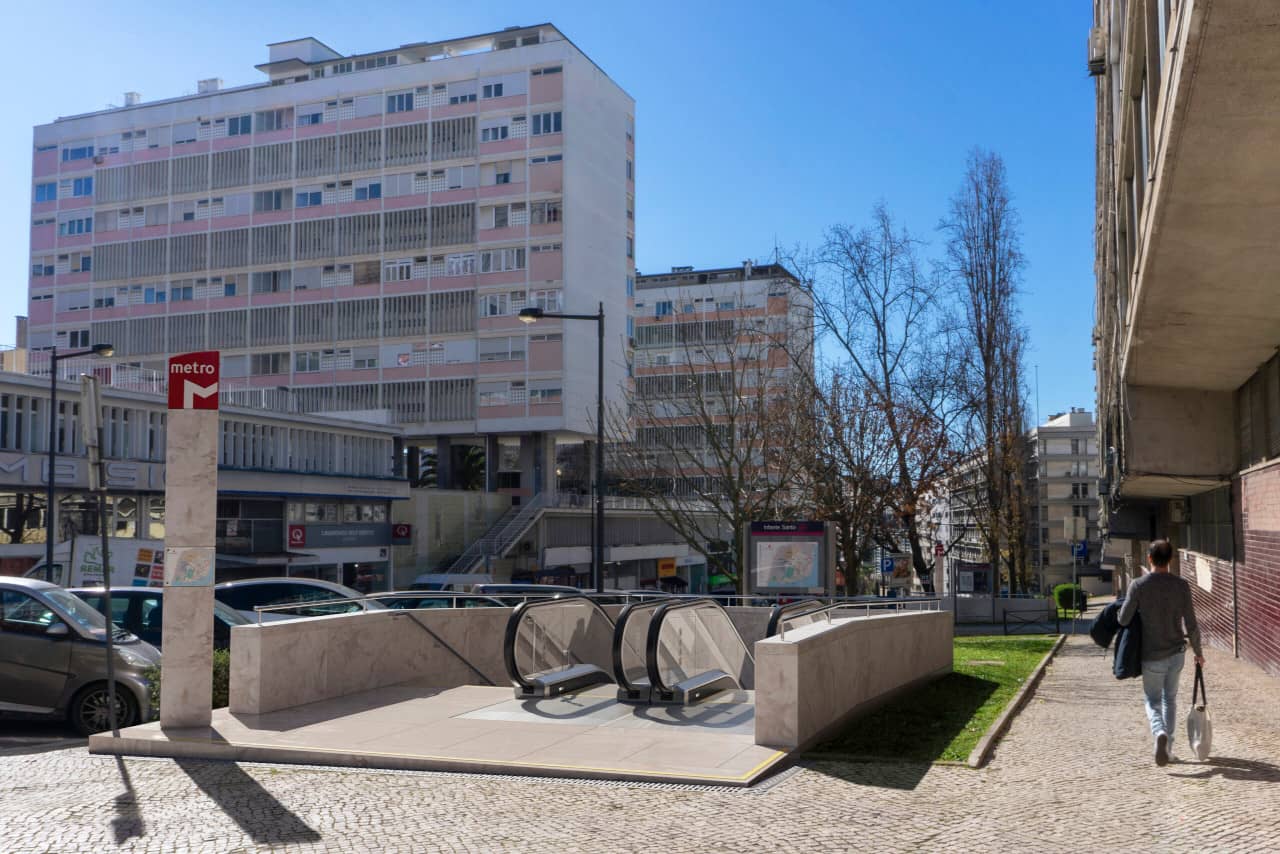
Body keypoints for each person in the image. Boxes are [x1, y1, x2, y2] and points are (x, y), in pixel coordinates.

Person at [1118, 539, 1204, 766]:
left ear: (1149, 558)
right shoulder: (1181, 586)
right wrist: (1198, 652)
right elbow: (1192, 623)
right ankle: (1168, 749)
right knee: (1170, 700)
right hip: (1176, 653)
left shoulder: (1138, 585)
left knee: (1152, 700)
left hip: (1151, 655)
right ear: (1171, 559)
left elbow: (1123, 619)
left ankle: (1158, 733)